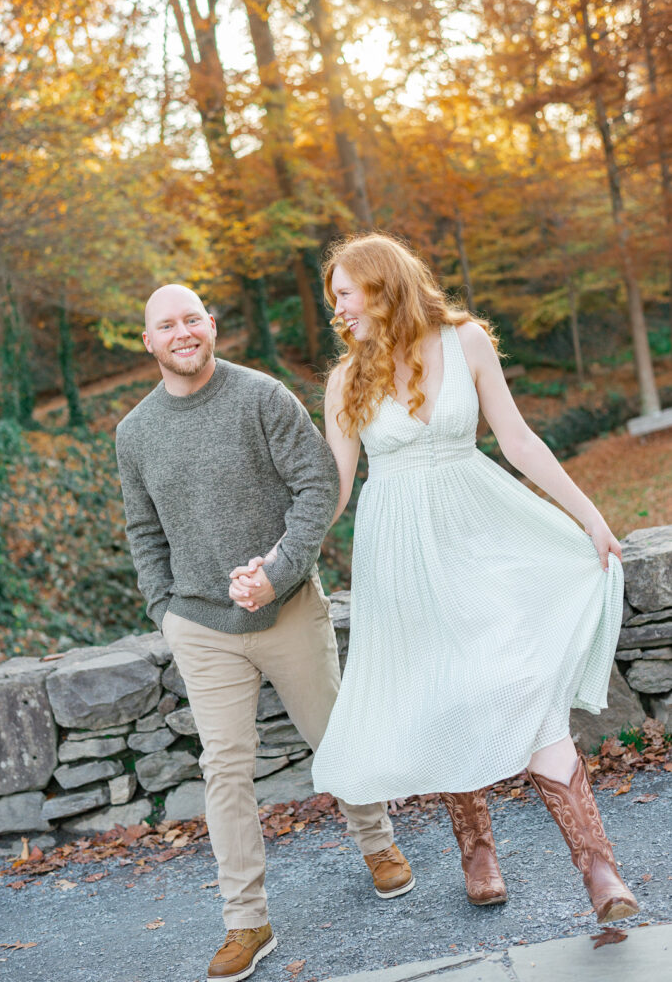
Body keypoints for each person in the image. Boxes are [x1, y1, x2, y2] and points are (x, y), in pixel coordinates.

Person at [306, 233, 639, 925]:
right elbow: (334, 489)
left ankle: (597, 867)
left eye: (344, 292)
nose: (335, 306)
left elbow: (517, 440)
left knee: (519, 680)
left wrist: (588, 517)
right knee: (442, 693)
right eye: (332, 294)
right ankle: (475, 848)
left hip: (478, 531)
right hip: (397, 553)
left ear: (381, 285)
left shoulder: (466, 344)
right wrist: (283, 553)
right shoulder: (346, 379)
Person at [115, 284, 412, 982]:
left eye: (193, 319)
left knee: (332, 735)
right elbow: (141, 530)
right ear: (149, 342)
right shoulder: (135, 433)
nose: (182, 332)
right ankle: (245, 922)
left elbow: (315, 486)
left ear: (210, 326)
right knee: (223, 769)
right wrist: (164, 608)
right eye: (167, 325)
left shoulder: (261, 397)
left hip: (288, 610)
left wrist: (278, 571)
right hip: (201, 627)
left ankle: (377, 843)